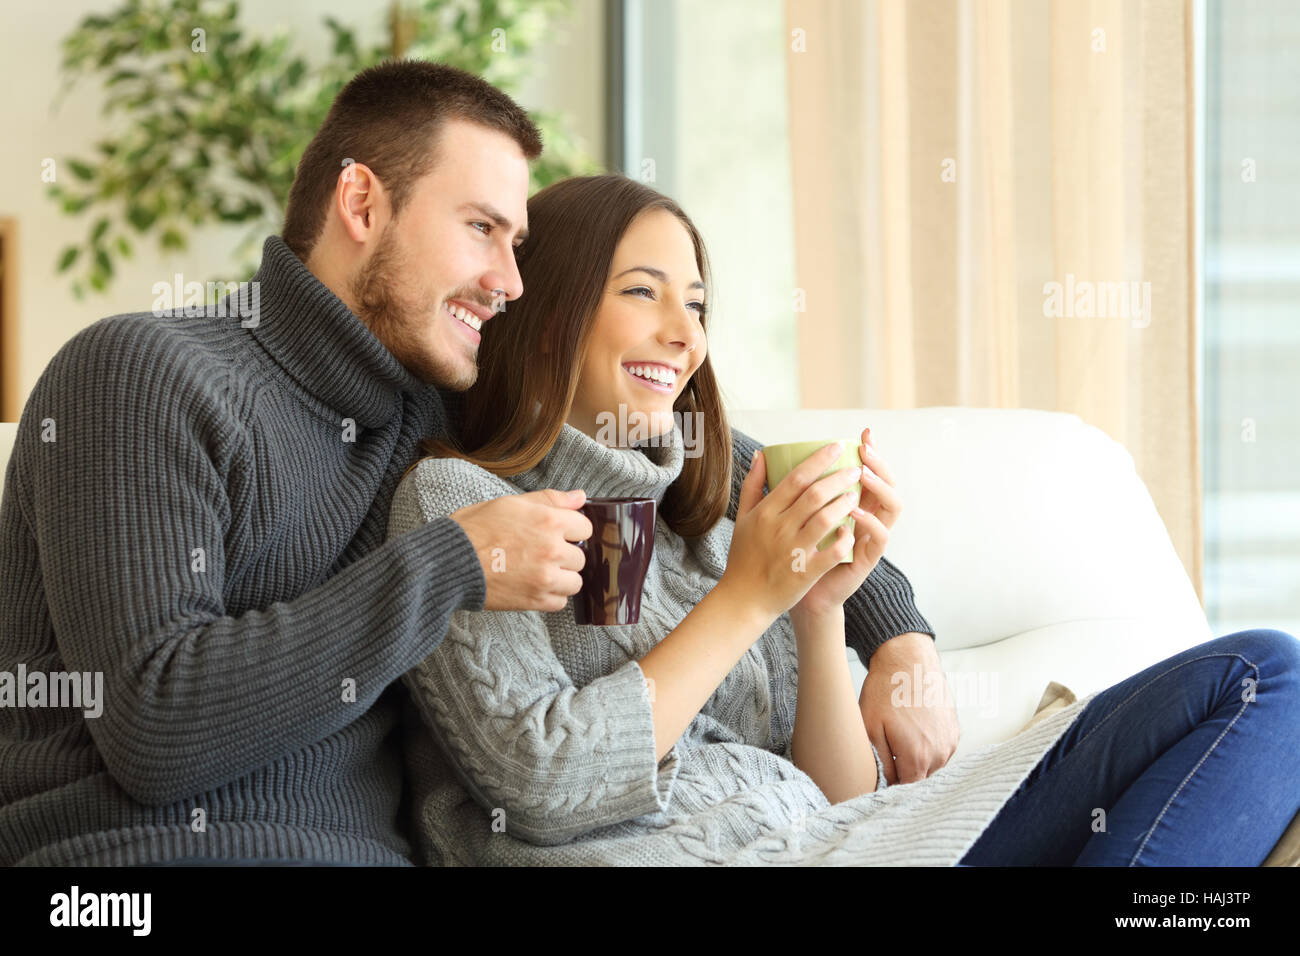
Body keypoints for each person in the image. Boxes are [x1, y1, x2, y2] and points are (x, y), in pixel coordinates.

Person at [0, 60, 943, 867]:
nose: (512, 282)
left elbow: (710, 461)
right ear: (361, 201)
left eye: (521, 244)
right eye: (482, 230)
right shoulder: (143, 372)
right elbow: (158, 729)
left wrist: (899, 634)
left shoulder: (431, 399)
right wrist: (452, 564)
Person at [390, 173, 1300, 866]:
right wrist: (748, 598)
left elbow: (829, 793)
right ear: (547, 319)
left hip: (853, 841)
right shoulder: (461, 503)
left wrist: (825, 611)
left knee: (1259, 678)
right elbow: (543, 783)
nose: (685, 333)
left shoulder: (709, 493)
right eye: (643, 292)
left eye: (697, 304)